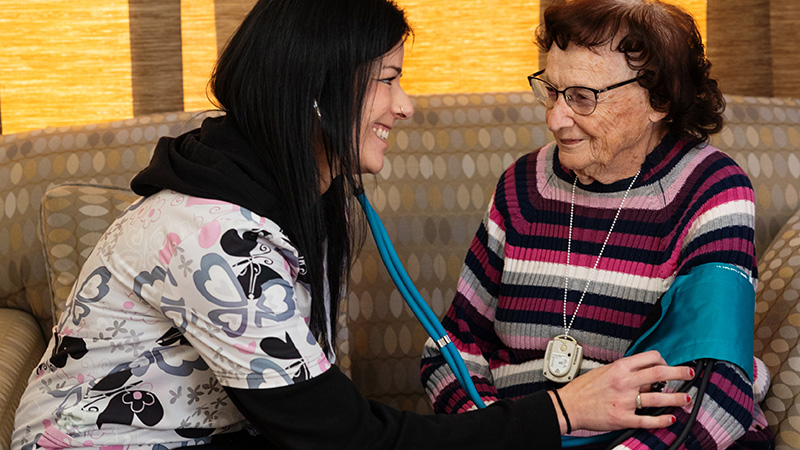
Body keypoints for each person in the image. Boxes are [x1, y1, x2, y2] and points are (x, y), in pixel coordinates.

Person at [12, 0, 694, 449]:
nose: (407, 106)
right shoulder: (215, 237)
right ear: (316, 93)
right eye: (389, 79)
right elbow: (343, 439)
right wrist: (562, 412)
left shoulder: (299, 197)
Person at [421, 1, 774, 449]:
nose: (555, 118)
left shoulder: (709, 188)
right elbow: (451, 347)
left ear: (658, 99)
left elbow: (718, 383)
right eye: (551, 91)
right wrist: (497, 432)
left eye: (582, 98)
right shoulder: (524, 186)